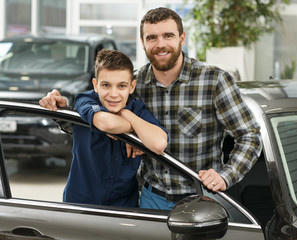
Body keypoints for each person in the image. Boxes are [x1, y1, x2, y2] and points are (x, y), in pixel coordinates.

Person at [39, 7, 262, 210]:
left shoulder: (214, 80)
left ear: (181, 38)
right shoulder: (132, 83)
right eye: (151, 37)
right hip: (149, 199)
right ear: (143, 42)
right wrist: (62, 111)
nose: (160, 44)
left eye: (168, 36)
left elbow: (250, 136)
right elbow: (96, 128)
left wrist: (225, 176)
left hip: (202, 199)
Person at [40, 49, 168, 207]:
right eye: (106, 85)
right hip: (81, 203)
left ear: (132, 86)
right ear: (95, 85)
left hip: (124, 205)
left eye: (121, 86)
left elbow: (158, 143)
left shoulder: (137, 109)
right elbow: (107, 124)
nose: (113, 94)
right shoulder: (85, 100)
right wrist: (135, 129)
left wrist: (126, 114)